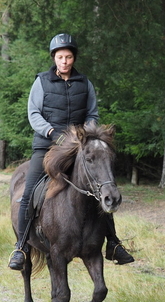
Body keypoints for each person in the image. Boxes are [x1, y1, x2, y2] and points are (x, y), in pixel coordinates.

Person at [8, 33, 135, 271]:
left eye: (68, 56)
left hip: (79, 147)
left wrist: (84, 135)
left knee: (101, 188)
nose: (64, 61)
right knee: (29, 192)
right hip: (47, 146)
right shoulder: (41, 82)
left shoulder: (84, 83)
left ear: (73, 58)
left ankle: (114, 244)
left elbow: (93, 114)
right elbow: (34, 113)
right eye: (60, 57)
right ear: (54, 58)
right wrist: (52, 133)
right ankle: (22, 246)